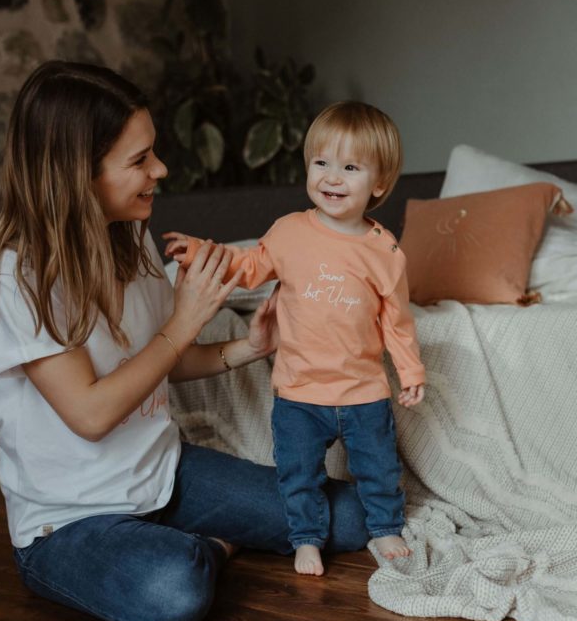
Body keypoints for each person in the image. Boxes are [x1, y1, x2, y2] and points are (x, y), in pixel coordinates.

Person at [0, 62, 370, 621]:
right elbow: (89, 413)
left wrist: (250, 346)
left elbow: (159, 361)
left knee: (352, 517)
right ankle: (199, 549)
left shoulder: (127, 234)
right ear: (76, 175)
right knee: (174, 589)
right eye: (139, 161)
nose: (160, 170)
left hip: (164, 475)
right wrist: (185, 320)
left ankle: (190, 542)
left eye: (152, 151)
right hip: (68, 523)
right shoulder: (18, 274)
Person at [165, 101, 426, 577]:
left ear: (379, 184)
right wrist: (201, 251)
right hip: (300, 391)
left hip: (363, 390)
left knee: (379, 469)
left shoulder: (384, 250)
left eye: (350, 168)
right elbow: (245, 267)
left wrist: (410, 371)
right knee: (297, 472)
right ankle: (305, 538)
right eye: (321, 162)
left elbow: (398, 321)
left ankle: (386, 527)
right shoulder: (288, 231)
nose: (332, 177)